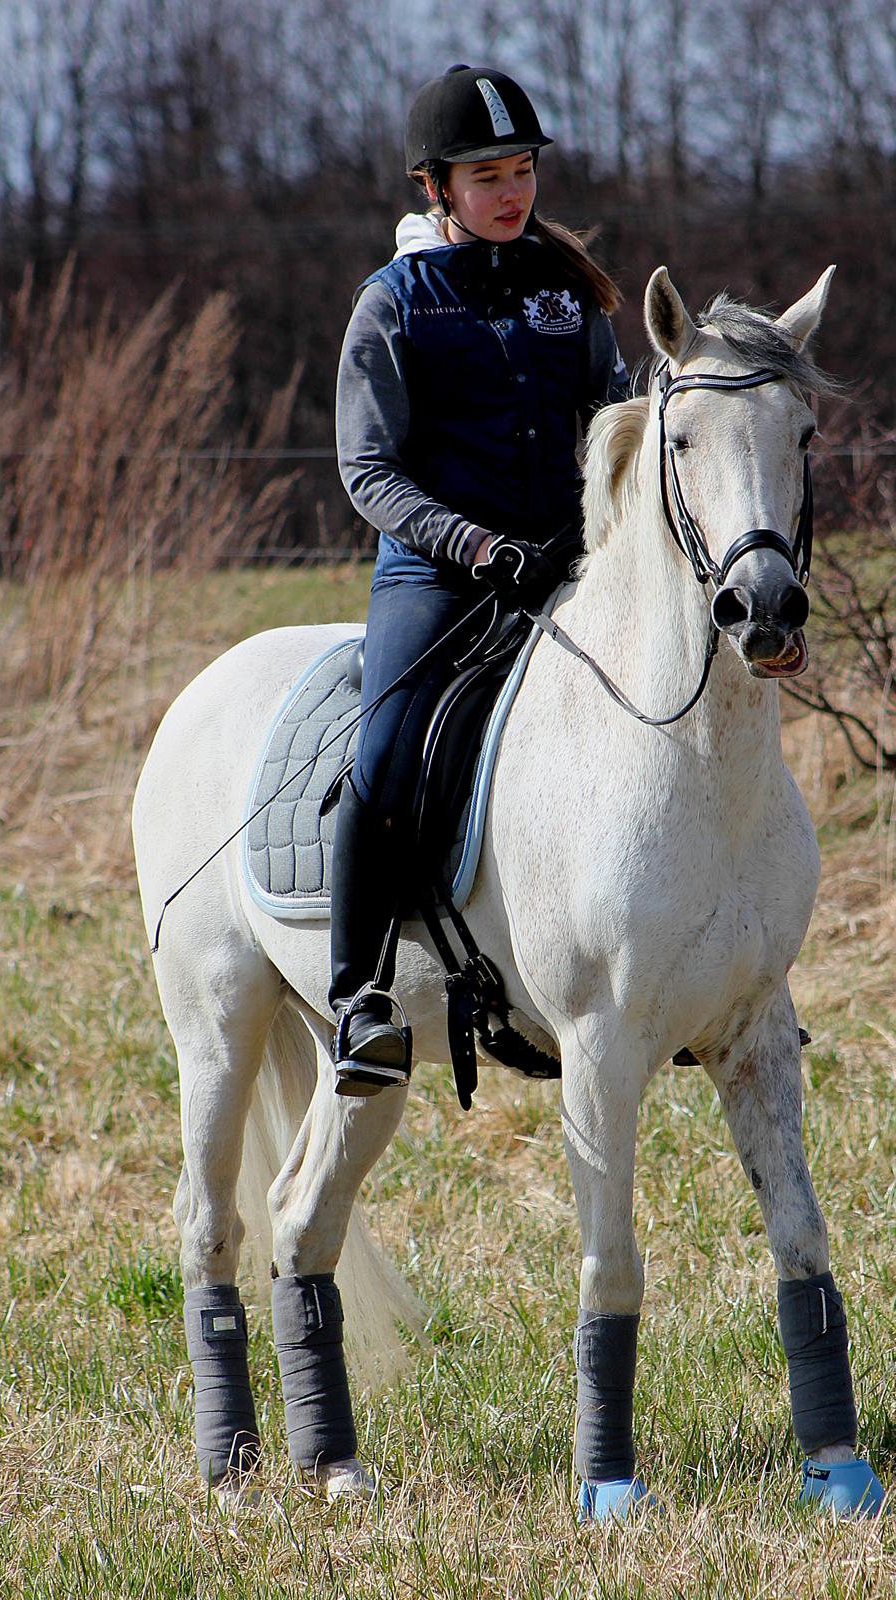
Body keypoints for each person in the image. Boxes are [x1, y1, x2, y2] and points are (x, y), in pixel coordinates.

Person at [331, 63, 629, 1095]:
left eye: (521, 170)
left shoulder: (570, 289)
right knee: (381, 753)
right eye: (485, 174)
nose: (511, 192)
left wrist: (602, 524)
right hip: (438, 577)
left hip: (566, 561)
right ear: (435, 188)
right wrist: (476, 547)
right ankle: (359, 996)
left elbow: (617, 421)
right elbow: (368, 471)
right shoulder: (392, 304)